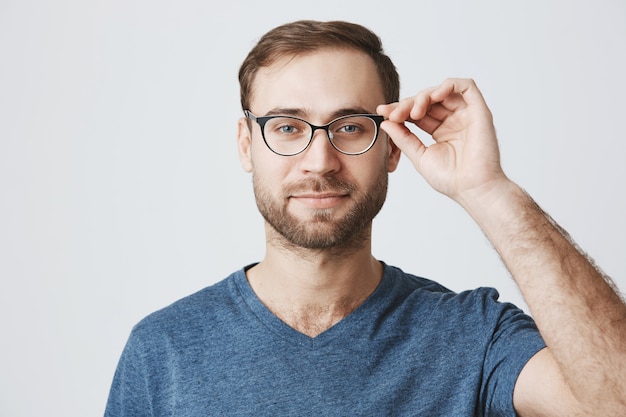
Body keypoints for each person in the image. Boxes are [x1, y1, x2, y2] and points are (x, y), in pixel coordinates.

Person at [105, 20, 626, 416]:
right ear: (247, 145)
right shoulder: (164, 350)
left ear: (393, 148)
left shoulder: (474, 337)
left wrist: (489, 190)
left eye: (351, 127)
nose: (319, 160)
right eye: (287, 127)